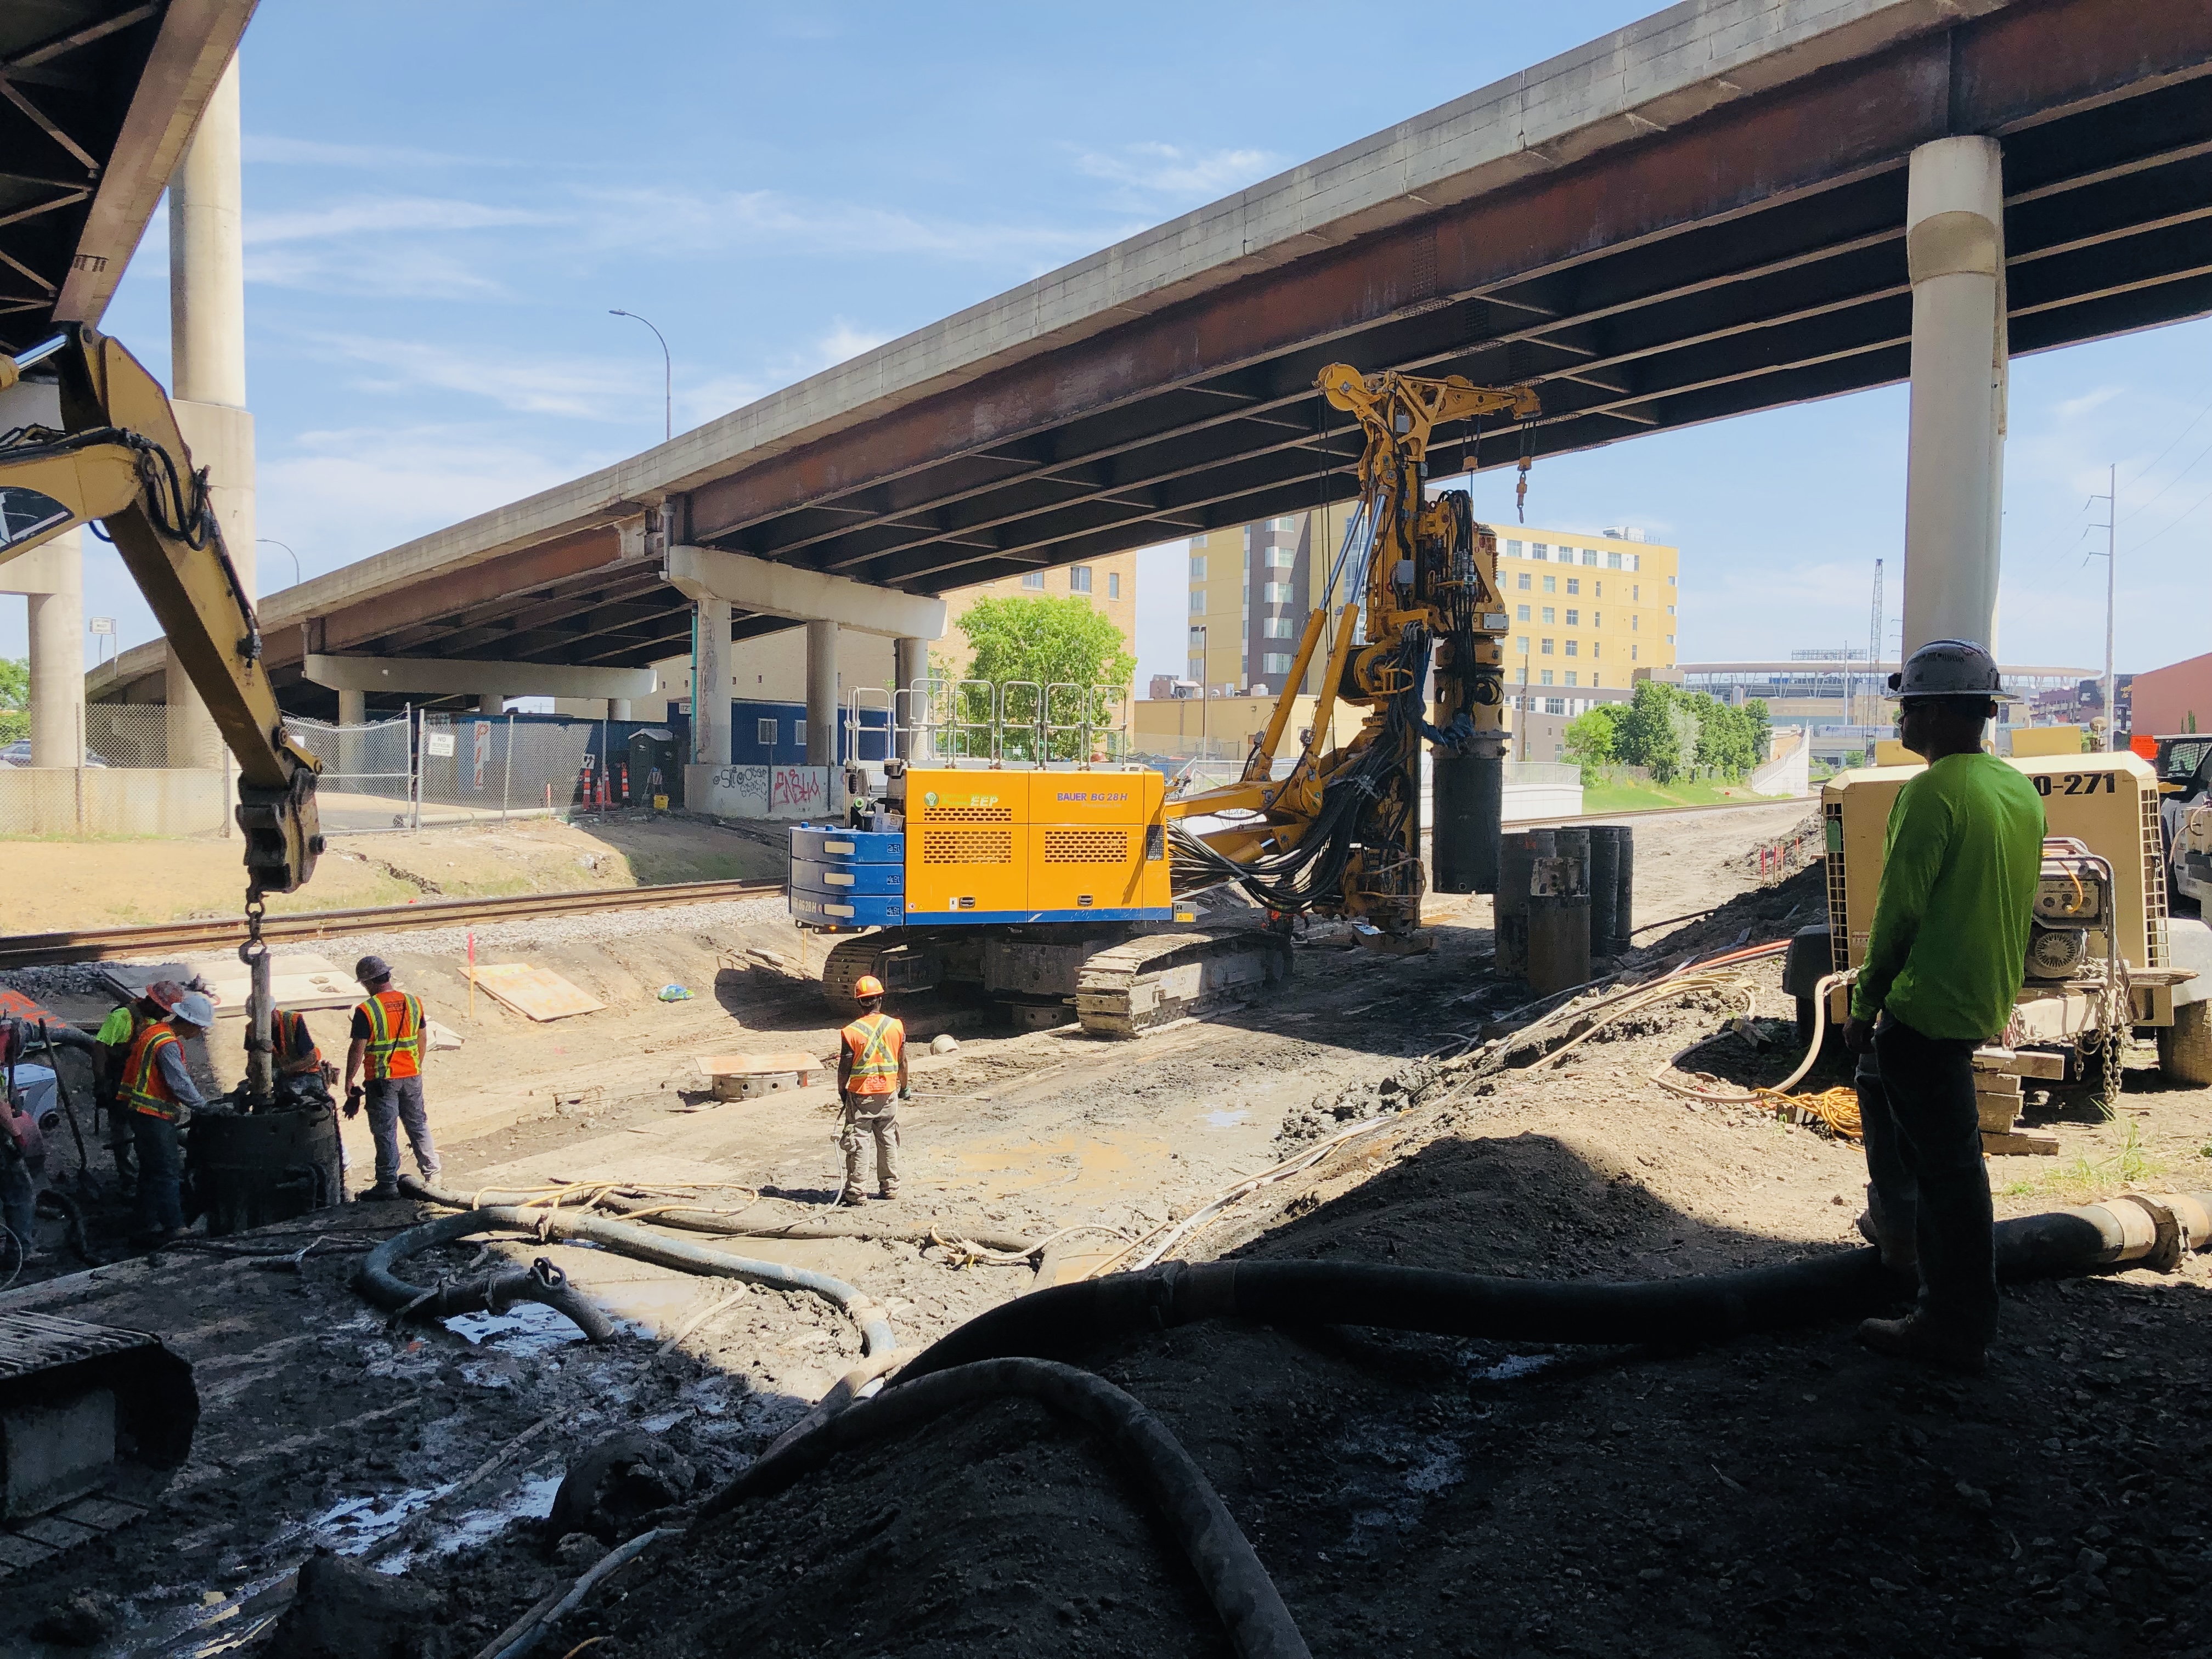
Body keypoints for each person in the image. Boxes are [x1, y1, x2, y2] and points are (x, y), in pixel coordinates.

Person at [1843, 639, 2045, 1374]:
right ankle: (1900, 1240)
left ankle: (1952, 1323)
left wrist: (1864, 1007)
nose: (1901, 719)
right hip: (1979, 993)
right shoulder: (2016, 789)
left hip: (1925, 1007)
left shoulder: (1932, 792)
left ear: (1935, 711)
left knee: (1950, 1170)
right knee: (1882, 1098)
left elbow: (1898, 915)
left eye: (1908, 707)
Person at [119, 989, 215, 1246]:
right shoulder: (168, 1044)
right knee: (167, 1171)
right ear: (191, 1023)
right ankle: (175, 1227)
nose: (200, 1033)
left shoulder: (154, 1031)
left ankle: (145, 1223)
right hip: (154, 1115)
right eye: (201, 1027)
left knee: (150, 1172)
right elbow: (179, 1084)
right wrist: (205, 1108)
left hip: (141, 1112)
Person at [345, 956, 437, 1200]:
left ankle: (387, 1184)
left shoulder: (367, 1010)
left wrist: (349, 1081)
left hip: (382, 1080)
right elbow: (423, 1038)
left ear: (369, 983)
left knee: (385, 1131)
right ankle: (433, 1176)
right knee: (418, 1124)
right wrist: (416, 1066)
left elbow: (358, 1048)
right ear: (387, 976)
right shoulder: (413, 1002)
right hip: (412, 1075)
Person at [90, 981, 185, 1196]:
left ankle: (144, 1175)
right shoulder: (123, 1016)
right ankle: (129, 1178)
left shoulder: (154, 1022)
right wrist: (101, 1082)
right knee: (122, 1133)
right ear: (152, 1002)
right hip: (118, 1083)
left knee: (143, 1133)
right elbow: (99, 1048)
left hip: (139, 1086)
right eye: (163, 1010)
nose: (165, 1016)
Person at [835, 975, 909, 1204]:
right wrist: (904, 1088)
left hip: (861, 1096)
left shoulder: (851, 1031)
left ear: (859, 1002)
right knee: (887, 1138)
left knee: (859, 1140)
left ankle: (857, 1192)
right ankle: (890, 1188)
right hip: (888, 1093)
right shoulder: (896, 1026)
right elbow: (902, 1062)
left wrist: (842, 1092)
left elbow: (844, 1066)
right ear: (880, 999)